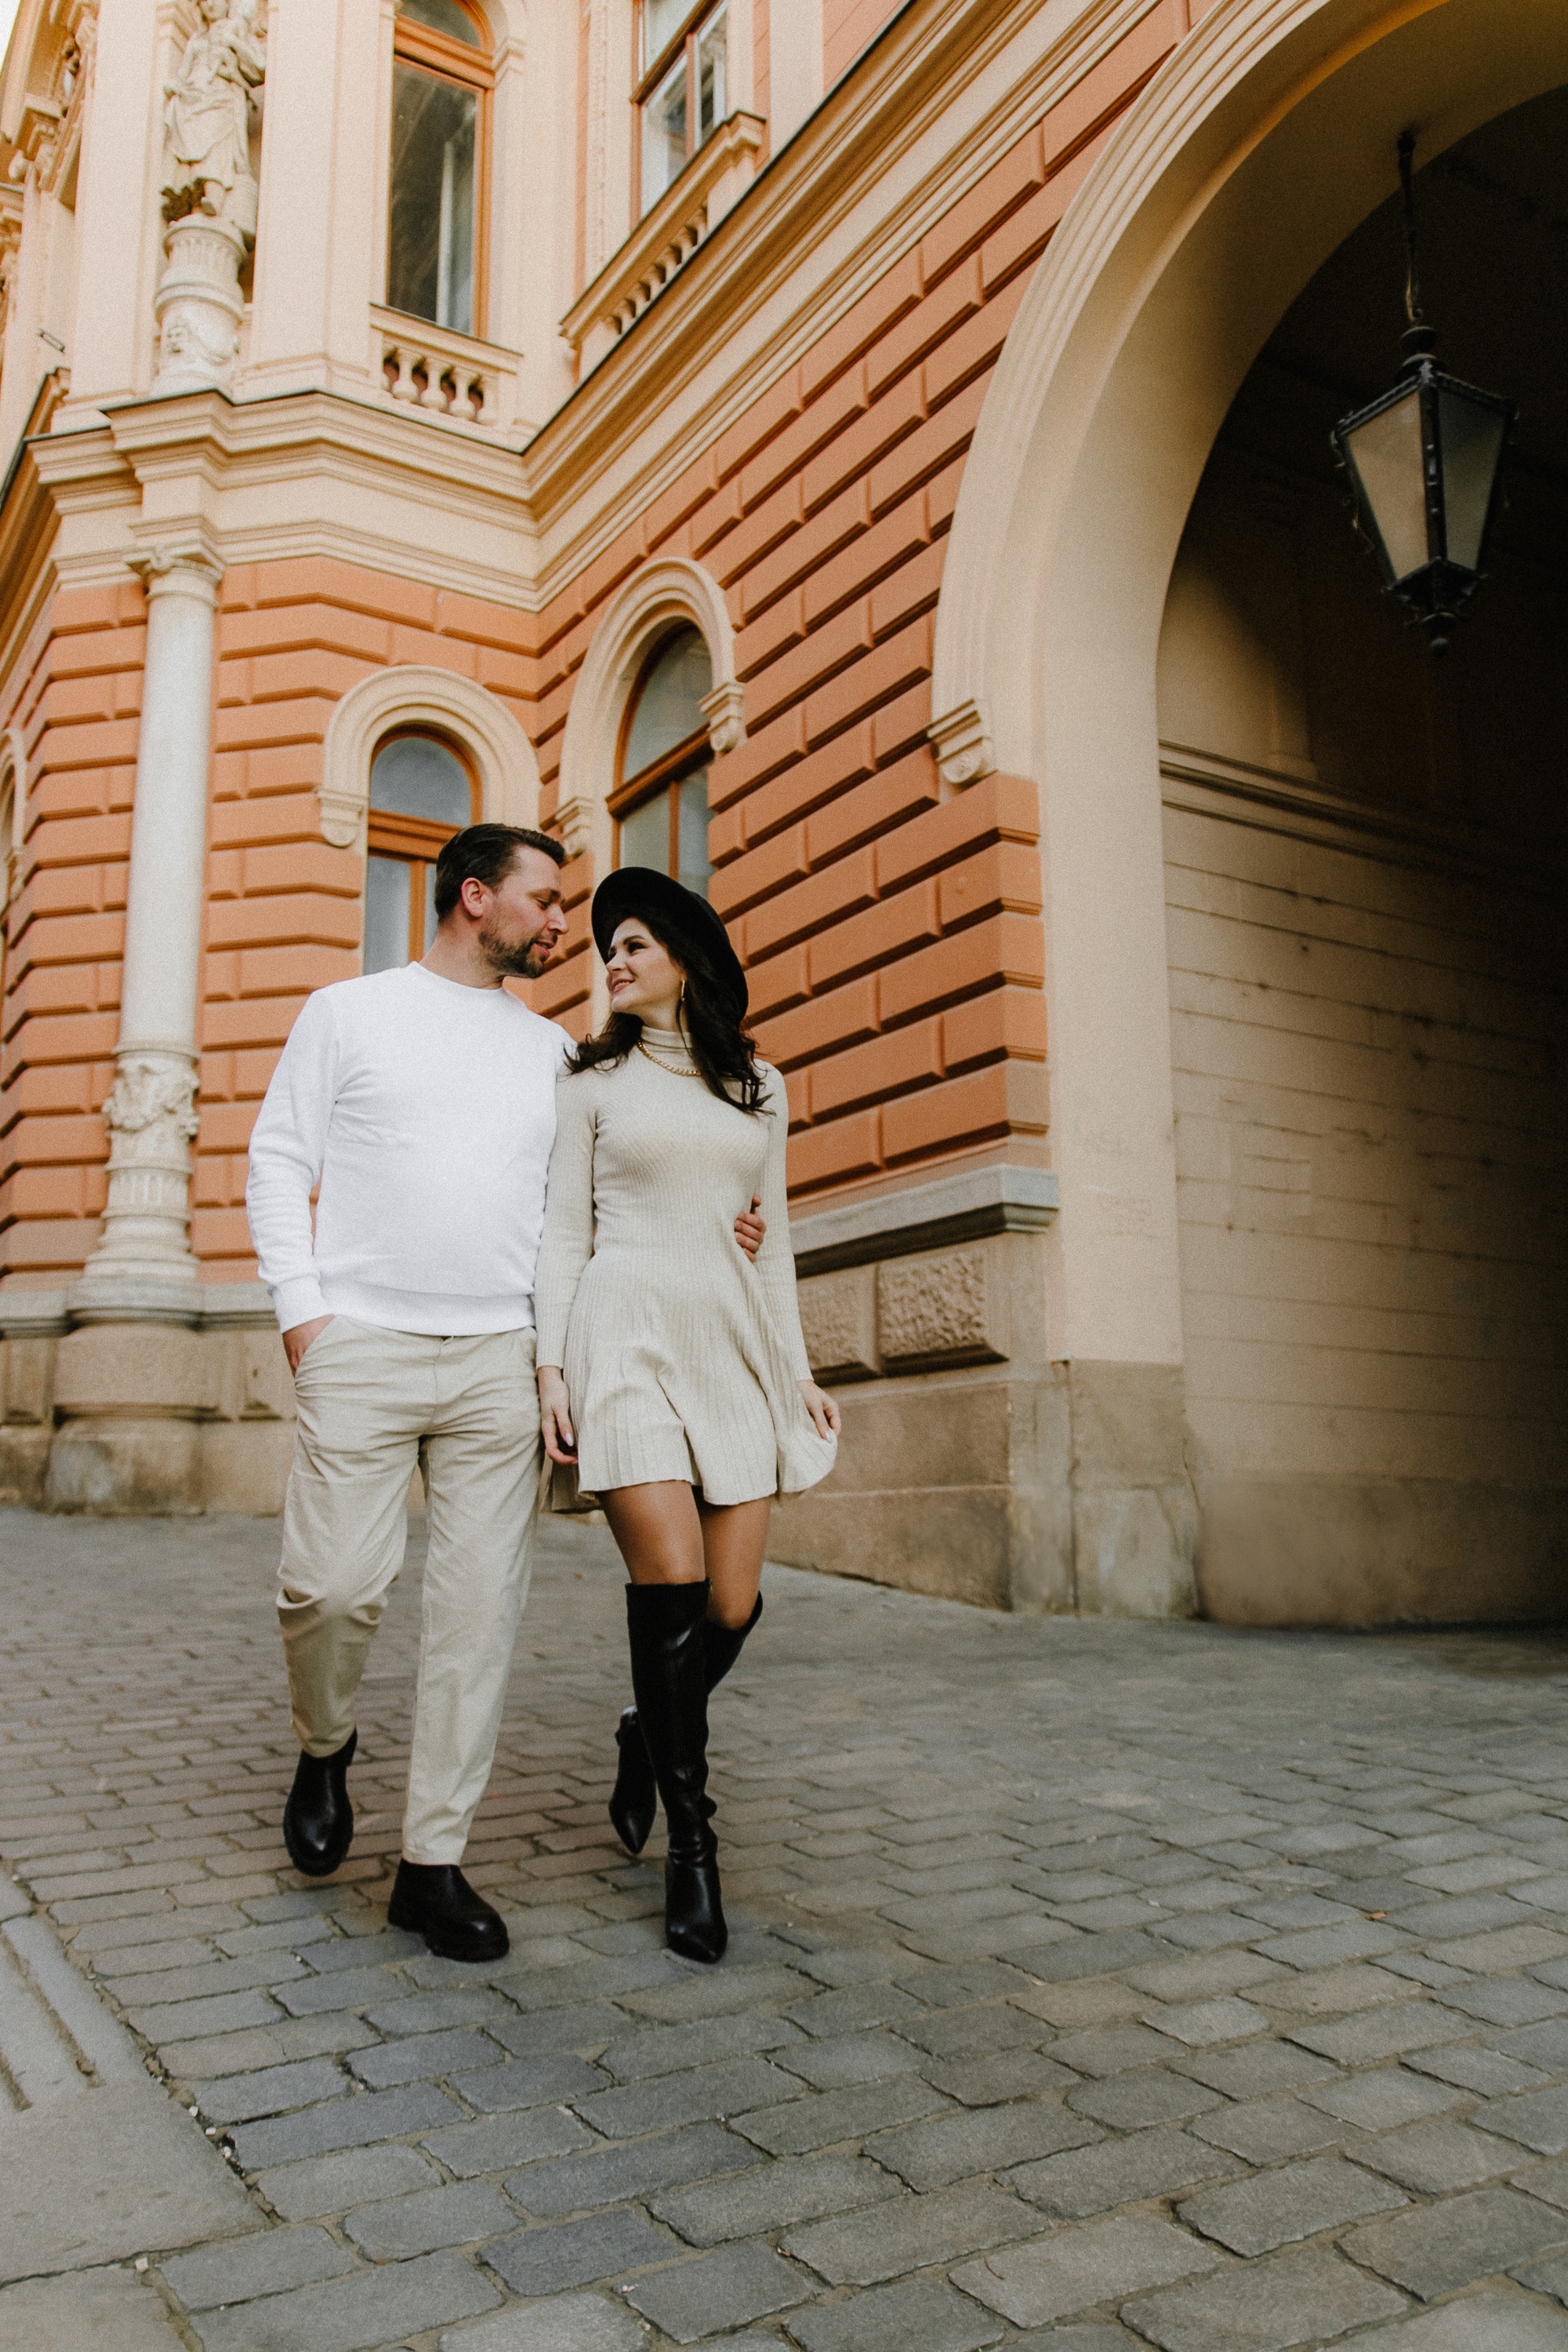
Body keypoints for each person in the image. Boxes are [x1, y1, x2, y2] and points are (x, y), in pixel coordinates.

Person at [245, 822, 768, 1963]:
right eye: (544, 899)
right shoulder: (351, 1012)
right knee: (332, 1590)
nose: (559, 922)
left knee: (477, 1624)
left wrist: (726, 1220)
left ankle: (432, 1868)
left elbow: (601, 1196)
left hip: (500, 1362)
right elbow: (279, 1158)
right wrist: (304, 1315)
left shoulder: (553, 1056)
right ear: (476, 899)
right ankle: (324, 1744)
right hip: (362, 1342)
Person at [535, 869, 841, 1965]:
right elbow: (563, 1235)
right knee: (665, 1593)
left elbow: (777, 1236)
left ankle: (642, 1732)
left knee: (731, 1604)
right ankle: (693, 1849)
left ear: (684, 958)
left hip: (727, 1341)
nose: (612, 960)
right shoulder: (589, 1084)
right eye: (606, 947)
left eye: (632, 945)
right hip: (621, 1335)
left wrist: (794, 1370)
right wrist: (549, 1365)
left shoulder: (760, 1087)